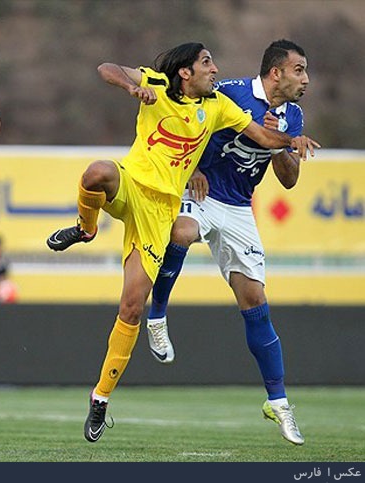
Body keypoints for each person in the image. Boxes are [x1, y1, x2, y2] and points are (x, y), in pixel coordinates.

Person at [45, 42, 319, 443]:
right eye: (207, 63)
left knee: (133, 305)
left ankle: (101, 398)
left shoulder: (231, 107)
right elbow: (107, 67)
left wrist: (290, 141)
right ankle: (87, 231)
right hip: (155, 189)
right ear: (186, 73)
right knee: (100, 173)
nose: (215, 69)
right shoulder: (170, 85)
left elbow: (263, 141)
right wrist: (131, 88)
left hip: (181, 209)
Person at [145, 40, 311, 445]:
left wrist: (280, 143)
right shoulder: (233, 92)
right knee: (181, 232)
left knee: (254, 300)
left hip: (239, 208)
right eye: (299, 70)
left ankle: (278, 401)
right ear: (276, 73)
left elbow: (289, 179)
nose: (305, 80)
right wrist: (194, 167)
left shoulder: (293, 115)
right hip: (202, 192)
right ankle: (157, 318)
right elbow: (192, 121)